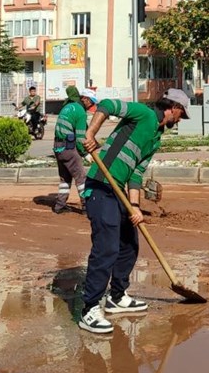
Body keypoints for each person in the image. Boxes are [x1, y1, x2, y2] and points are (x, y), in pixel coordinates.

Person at [77, 88, 191, 334]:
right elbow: (107, 105)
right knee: (106, 247)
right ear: (174, 108)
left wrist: (136, 208)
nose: (180, 120)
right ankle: (88, 309)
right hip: (100, 185)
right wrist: (91, 132)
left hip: (119, 190)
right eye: (182, 114)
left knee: (130, 243)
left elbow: (137, 174)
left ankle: (117, 296)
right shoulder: (143, 114)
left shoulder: (156, 136)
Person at [52, 86, 93, 214]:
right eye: (91, 101)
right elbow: (80, 137)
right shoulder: (80, 111)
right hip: (68, 148)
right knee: (81, 178)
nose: (92, 105)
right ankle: (87, 207)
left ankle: (60, 205)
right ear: (84, 99)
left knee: (65, 178)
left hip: (58, 147)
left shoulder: (67, 107)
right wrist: (85, 153)